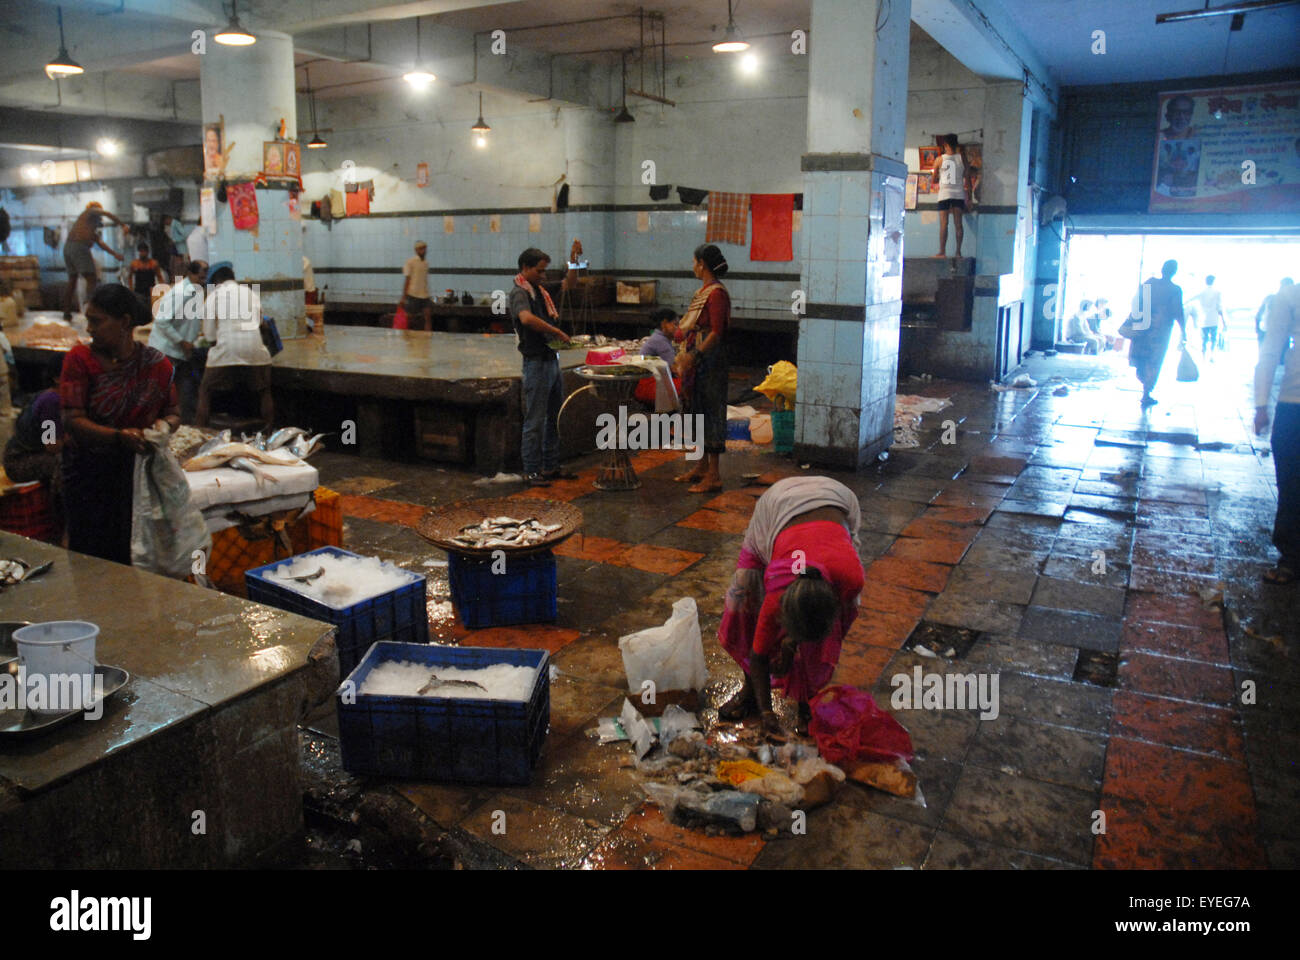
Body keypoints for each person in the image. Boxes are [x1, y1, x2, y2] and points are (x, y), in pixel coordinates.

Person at [717, 476, 865, 736]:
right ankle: (749, 692)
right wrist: (766, 713)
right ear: (782, 612)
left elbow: (832, 632)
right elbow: (758, 654)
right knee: (743, 606)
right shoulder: (776, 597)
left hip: (838, 497)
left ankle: (807, 701)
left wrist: (790, 643)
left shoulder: (851, 580)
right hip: (778, 504)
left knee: (823, 640)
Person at [60, 284, 179, 565]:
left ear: (125, 322)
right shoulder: (79, 361)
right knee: (90, 559)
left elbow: (174, 412)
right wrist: (118, 436)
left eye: (96, 321)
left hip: (137, 477)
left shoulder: (157, 365)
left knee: (134, 555)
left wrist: (160, 429)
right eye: (88, 320)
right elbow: (72, 419)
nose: (89, 329)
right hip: (88, 476)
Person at [510, 243, 578, 486]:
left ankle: (550, 466)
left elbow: (569, 283)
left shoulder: (540, 289)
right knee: (535, 420)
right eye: (539, 271)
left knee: (553, 416)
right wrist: (556, 331)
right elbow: (526, 318)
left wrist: (573, 260)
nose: (544, 275)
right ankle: (531, 470)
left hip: (550, 361)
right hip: (536, 363)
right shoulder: (520, 292)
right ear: (526, 268)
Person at [673, 244, 730, 493]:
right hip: (698, 360)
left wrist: (695, 354)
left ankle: (714, 475)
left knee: (711, 411)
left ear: (702, 264)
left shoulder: (716, 293)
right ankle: (701, 466)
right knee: (697, 409)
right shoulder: (704, 291)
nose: (692, 266)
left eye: (694, 262)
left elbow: (716, 332)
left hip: (711, 360)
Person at [1254, 278, 1300, 585]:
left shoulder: (1291, 295)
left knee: (1292, 484)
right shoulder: (1289, 296)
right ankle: (1291, 556)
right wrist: (1261, 404)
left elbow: (1271, 351)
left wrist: (1261, 406)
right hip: (1294, 402)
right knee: (1291, 483)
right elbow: (1271, 350)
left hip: (1293, 405)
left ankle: (1291, 559)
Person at [196, 262, 273, 428]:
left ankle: (200, 435)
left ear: (216, 281)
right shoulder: (251, 293)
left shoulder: (214, 297)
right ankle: (269, 433)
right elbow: (260, 322)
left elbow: (209, 335)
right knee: (264, 391)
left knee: (205, 391)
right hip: (256, 350)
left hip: (226, 349)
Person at [148, 258, 207, 423]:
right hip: (167, 350)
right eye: (201, 277)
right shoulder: (182, 292)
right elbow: (161, 321)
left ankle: (184, 426)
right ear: (191, 274)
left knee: (184, 392)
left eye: (205, 277)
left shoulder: (195, 290)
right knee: (164, 393)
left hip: (180, 352)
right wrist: (182, 341)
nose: (204, 280)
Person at [1128, 259, 1187, 407]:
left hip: (1143, 327)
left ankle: (1145, 388)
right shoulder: (1174, 290)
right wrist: (1183, 331)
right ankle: (1146, 392)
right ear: (1174, 272)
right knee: (1154, 361)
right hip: (1160, 332)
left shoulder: (1149, 283)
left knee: (1142, 358)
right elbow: (1178, 311)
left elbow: (1137, 302)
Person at [63, 201, 127, 319]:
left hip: (68, 248)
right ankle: (92, 311)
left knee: (72, 280)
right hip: (79, 247)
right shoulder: (89, 211)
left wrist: (115, 254)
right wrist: (122, 225)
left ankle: (66, 312)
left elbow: (100, 242)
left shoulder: (87, 226)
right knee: (91, 279)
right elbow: (106, 213)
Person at [931, 134, 974, 258]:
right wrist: (969, 198)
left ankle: (942, 252)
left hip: (944, 193)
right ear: (956, 144)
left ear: (945, 145)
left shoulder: (939, 159)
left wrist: (940, 175)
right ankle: (958, 252)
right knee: (958, 224)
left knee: (944, 224)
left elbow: (933, 180)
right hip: (958, 194)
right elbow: (968, 179)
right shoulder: (962, 158)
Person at [1192, 274, 1227, 360]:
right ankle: (1212, 355)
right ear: (1214, 281)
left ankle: (1203, 356)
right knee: (1213, 338)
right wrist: (1223, 321)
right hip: (1214, 319)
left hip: (1203, 319)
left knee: (1204, 339)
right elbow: (1219, 307)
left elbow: (1190, 300)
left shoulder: (1201, 292)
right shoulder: (1217, 292)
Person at [401, 242, 433, 331]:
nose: (423, 251)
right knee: (410, 319)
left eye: (424, 248)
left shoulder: (426, 263)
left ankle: (427, 338)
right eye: (421, 249)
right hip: (413, 294)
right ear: (416, 250)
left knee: (428, 318)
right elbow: (407, 280)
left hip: (424, 295)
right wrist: (404, 297)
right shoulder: (410, 262)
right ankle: (408, 339)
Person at [128, 242, 167, 312]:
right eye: (141, 251)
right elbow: (130, 277)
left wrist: (162, 290)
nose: (143, 253)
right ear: (138, 252)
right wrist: (131, 290)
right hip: (139, 291)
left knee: (152, 309)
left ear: (148, 252)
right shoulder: (134, 264)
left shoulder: (153, 263)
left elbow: (159, 277)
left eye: (144, 251)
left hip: (151, 290)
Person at [1257, 278, 1293, 344]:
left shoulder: (1289, 302)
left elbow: (1258, 316)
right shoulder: (1270, 298)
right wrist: (1259, 332)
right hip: (1268, 334)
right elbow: (1258, 316)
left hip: (1279, 336)